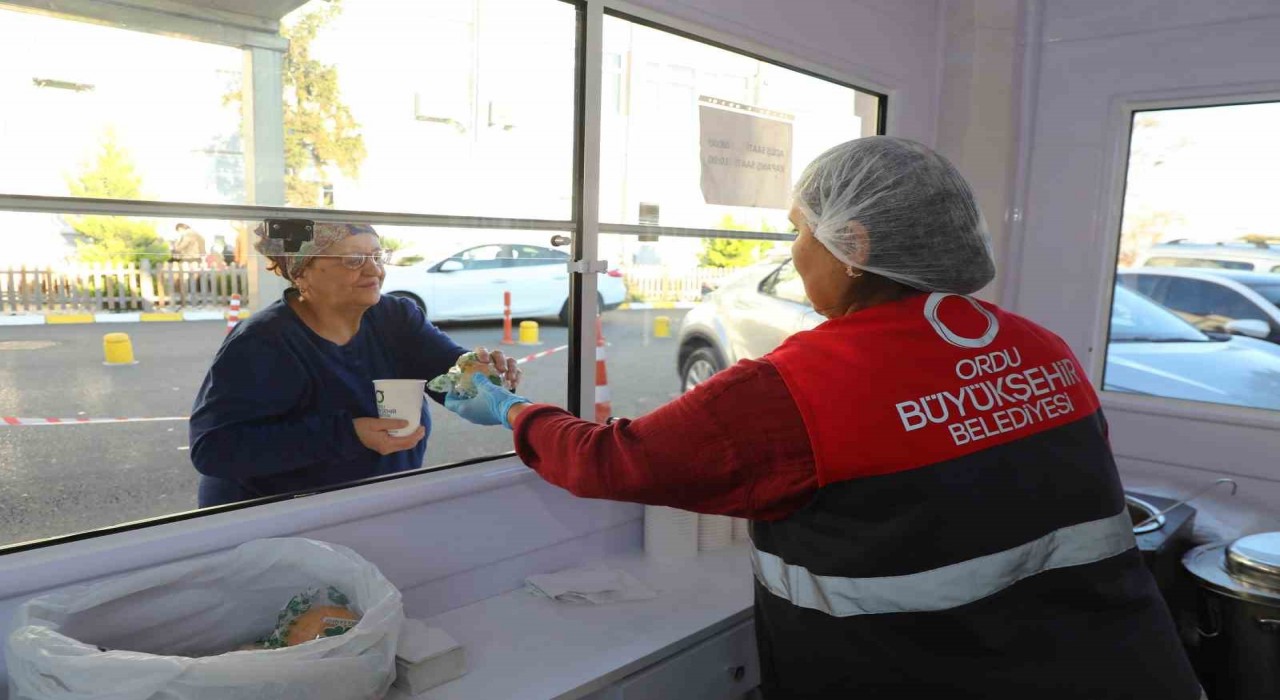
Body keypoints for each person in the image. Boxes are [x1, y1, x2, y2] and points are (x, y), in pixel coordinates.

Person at [444, 137, 1204, 699]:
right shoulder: (1038, 344)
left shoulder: (799, 385)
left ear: (853, 246)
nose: (796, 252)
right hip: (1129, 669)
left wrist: (510, 407)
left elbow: (609, 460)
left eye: (800, 231)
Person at [189, 222, 520, 508]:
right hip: (278, 516)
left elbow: (450, 378)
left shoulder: (395, 317)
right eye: (353, 260)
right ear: (303, 272)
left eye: (377, 256)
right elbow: (214, 449)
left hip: (376, 502)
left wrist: (481, 375)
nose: (374, 271)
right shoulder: (263, 341)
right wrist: (348, 434)